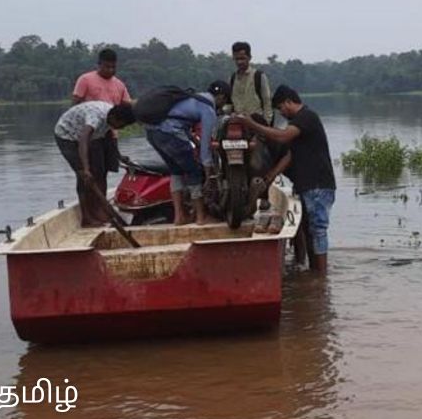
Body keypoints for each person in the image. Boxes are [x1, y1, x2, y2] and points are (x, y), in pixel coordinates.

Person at [230, 85, 336, 273]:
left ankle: (321, 277)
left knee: (317, 230)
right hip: (307, 184)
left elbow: (283, 137)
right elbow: (290, 156)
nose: (281, 113)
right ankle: (314, 272)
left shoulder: (306, 117)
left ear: (289, 101)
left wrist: (252, 124)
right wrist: (271, 176)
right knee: (310, 229)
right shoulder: (299, 122)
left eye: (280, 108)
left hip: (318, 184)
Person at [144, 81, 231, 226]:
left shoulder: (193, 97)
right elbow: (205, 146)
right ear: (221, 97)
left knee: (176, 171)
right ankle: (201, 218)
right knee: (194, 171)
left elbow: (181, 122)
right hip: (170, 133)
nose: (222, 106)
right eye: (225, 102)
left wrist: (193, 142)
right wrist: (208, 172)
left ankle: (179, 217)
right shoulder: (208, 109)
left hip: (152, 132)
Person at [54, 101, 136, 227]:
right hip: (67, 135)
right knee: (83, 176)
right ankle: (86, 218)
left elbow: (109, 135)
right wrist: (86, 169)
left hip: (87, 136)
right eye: (122, 125)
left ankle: (99, 212)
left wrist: (118, 155)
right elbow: (83, 141)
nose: (121, 128)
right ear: (114, 118)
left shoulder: (111, 116)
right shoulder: (95, 118)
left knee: (98, 173)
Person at [229, 41, 275, 211]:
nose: (240, 62)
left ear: (249, 57)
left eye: (243, 58)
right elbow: (230, 102)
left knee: (258, 162)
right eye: (237, 59)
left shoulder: (258, 76)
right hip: (237, 127)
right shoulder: (233, 77)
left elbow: (267, 103)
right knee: (235, 160)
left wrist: (266, 129)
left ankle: (264, 197)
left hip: (257, 125)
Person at [72, 48, 132, 176]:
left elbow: (127, 105)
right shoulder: (85, 79)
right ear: (99, 64)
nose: (110, 70)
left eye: (113, 67)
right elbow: (75, 104)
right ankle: (86, 196)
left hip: (110, 132)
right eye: (107, 67)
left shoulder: (119, 84)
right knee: (90, 171)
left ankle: (101, 195)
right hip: (92, 132)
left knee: (104, 171)